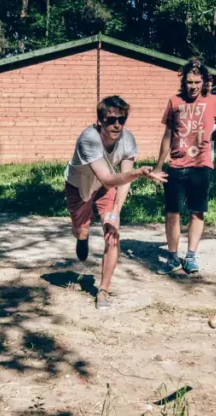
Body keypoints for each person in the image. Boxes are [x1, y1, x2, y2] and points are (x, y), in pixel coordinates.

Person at [65, 95, 167, 310]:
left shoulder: (128, 140)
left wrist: (115, 213)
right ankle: (82, 237)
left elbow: (121, 181)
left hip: (107, 186)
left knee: (112, 236)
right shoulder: (88, 139)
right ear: (100, 121)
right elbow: (108, 178)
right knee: (80, 231)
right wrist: (139, 173)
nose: (117, 125)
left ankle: (103, 289)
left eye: (122, 120)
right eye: (111, 120)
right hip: (80, 184)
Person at [154, 57, 216, 275]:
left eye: (197, 82)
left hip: (201, 165)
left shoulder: (212, 101)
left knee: (197, 211)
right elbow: (167, 135)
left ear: (204, 82)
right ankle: (172, 257)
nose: (192, 87)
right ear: (184, 82)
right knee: (172, 213)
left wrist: (215, 127)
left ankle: (190, 256)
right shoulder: (174, 102)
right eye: (189, 82)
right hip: (176, 164)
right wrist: (158, 166)